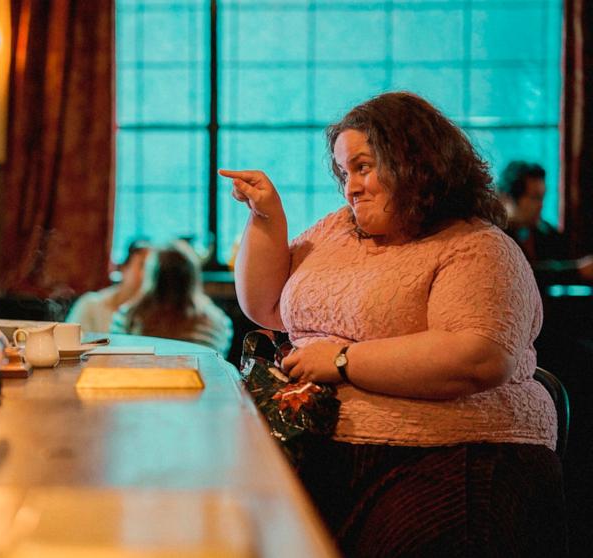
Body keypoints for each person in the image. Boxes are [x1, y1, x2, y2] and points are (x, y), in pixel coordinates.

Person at [221, 92, 565, 555]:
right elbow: (265, 307)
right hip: (325, 450)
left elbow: (478, 356)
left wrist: (342, 361)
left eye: (363, 167)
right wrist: (266, 218)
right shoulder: (335, 230)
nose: (351, 187)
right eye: (344, 173)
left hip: (449, 459)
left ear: (416, 163)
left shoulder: (477, 247)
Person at [109, 241, 232, 355]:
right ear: (193, 277)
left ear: (151, 276)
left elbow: (119, 359)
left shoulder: (126, 318)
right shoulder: (218, 323)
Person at [498, 160, 593, 289]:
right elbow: (519, 274)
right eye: (534, 197)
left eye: (542, 197)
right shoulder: (497, 237)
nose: (540, 205)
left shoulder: (547, 233)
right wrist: (577, 270)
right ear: (508, 197)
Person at [65, 239, 150, 332]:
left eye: (152, 268)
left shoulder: (151, 316)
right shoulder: (91, 305)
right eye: (142, 265)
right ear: (123, 268)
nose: (148, 273)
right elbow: (68, 340)